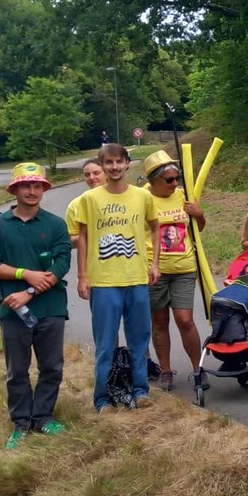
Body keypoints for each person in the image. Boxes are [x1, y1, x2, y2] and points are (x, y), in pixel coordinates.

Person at [0, 163, 71, 449]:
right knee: (17, 370)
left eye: (37, 186)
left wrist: (30, 290)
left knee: (52, 367)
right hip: (12, 311)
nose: (32, 191)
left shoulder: (55, 224)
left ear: (44, 188)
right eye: (26, 186)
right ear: (15, 189)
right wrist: (24, 274)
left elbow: (62, 261)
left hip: (51, 307)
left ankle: (43, 417)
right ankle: (21, 422)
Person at [73, 144, 160, 413]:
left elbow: (155, 227)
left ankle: (140, 391)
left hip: (136, 277)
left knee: (139, 339)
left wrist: (154, 263)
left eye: (118, 162)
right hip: (104, 281)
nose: (114, 167)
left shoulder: (142, 197)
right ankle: (102, 398)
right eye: (108, 163)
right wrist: (82, 276)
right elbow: (83, 237)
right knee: (105, 343)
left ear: (127, 164)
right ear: (103, 165)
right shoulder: (90, 199)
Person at [142, 151, 206, 392]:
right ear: (153, 180)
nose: (175, 183)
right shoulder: (142, 199)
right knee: (159, 322)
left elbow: (198, 229)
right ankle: (166, 371)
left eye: (176, 178)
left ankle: (198, 369)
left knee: (185, 319)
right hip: (154, 271)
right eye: (169, 179)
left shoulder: (183, 195)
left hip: (184, 267)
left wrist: (198, 214)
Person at [66, 159, 105, 247]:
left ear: (106, 174)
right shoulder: (75, 205)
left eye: (96, 173)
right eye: (87, 175)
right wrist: (93, 234)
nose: (91, 177)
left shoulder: (120, 197)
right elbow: (69, 240)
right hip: (92, 258)